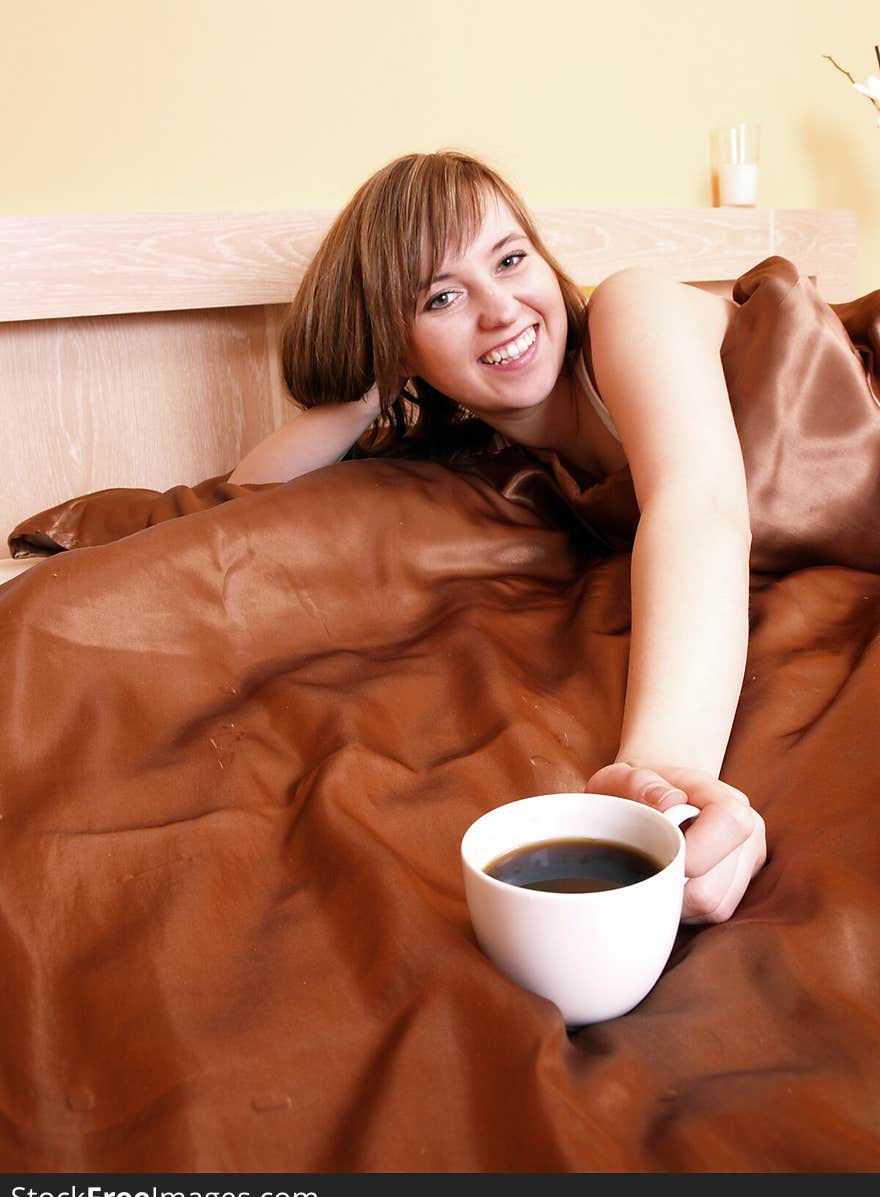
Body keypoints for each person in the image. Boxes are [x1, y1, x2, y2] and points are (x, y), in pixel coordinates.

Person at [228, 150, 766, 924]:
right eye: (442, 297)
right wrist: (365, 392)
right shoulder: (500, 466)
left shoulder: (630, 309)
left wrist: (663, 772)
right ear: (399, 345)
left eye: (511, 260)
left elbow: (700, 506)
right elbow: (248, 496)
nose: (501, 308)